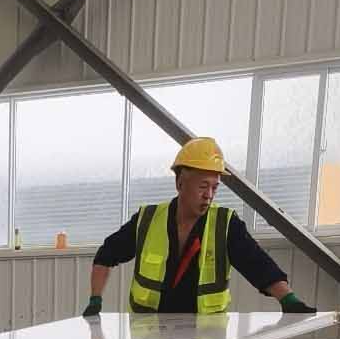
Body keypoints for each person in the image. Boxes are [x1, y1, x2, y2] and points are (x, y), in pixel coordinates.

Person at [83, 137, 315, 321]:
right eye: (203, 186)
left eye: (215, 187)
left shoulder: (225, 225)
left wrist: (288, 300)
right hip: (149, 335)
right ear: (180, 183)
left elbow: (258, 264)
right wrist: (95, 300)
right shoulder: (147, 220)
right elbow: (106, 255)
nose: (209, 195)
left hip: (203, 338)